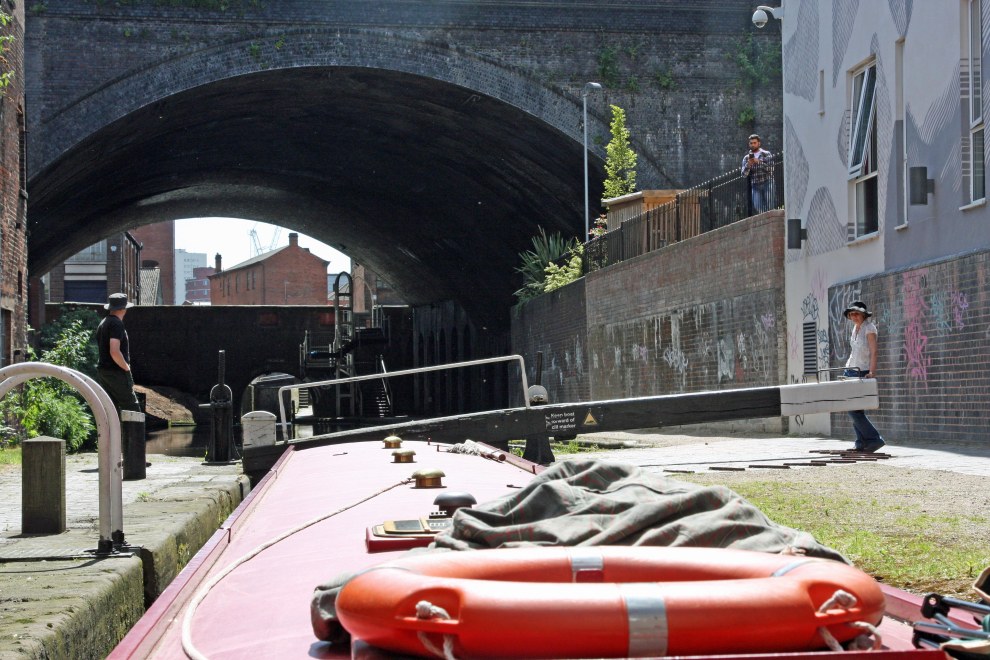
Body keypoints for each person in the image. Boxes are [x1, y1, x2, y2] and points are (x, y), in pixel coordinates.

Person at [842, 301, 885, 453]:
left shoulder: (869, 328)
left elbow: (874, 352)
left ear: (863, 314)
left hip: (861, 371)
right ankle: (861, 442)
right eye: (851, 314)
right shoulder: (855, 328)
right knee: (854, 409)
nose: (854, 316)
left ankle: (874, 439)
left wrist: (872, 371)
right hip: (850, 370)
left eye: (856, 313)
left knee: (853, 410)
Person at [95, 292, 141, 413]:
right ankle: (133, 432)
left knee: (111, 409)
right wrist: (126, 368)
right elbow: (114, 351)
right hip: (116, 372)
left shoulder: (103, 322)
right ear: (123, 308)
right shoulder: (116, 324)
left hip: (103, 372)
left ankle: (113, 432)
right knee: (132, 409)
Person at [741, 133, 773, 215]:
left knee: (770, 206)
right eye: (751, 143)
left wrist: (758, 162)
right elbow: (743, 174)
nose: (753, 145)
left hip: (767, 182)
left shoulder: (766, 154)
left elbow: (771, 169)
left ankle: (770, 219)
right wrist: (748, 164)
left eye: (755, 143)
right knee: (758, 207)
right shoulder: (746, 158)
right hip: (755, 185)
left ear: (759, 143)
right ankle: (767, 220)